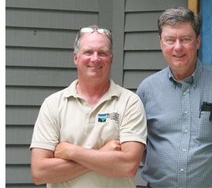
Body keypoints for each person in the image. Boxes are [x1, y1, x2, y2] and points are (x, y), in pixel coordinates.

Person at [136, 7, 212, 188]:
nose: (178, 47)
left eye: (185, 39)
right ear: (161, 43)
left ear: (197, 41)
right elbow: (139, 148)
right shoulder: (147, 89)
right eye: (170, 40)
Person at [30, 25, 147, 188]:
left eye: (102, 53)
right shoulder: (53, 104)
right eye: (88, 52)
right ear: (76, 58)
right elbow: (39, 172)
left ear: (111, 58)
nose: (95, 59)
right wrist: (103, 155)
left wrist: (72, 152)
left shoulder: (129, 102)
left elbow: (128, 166)